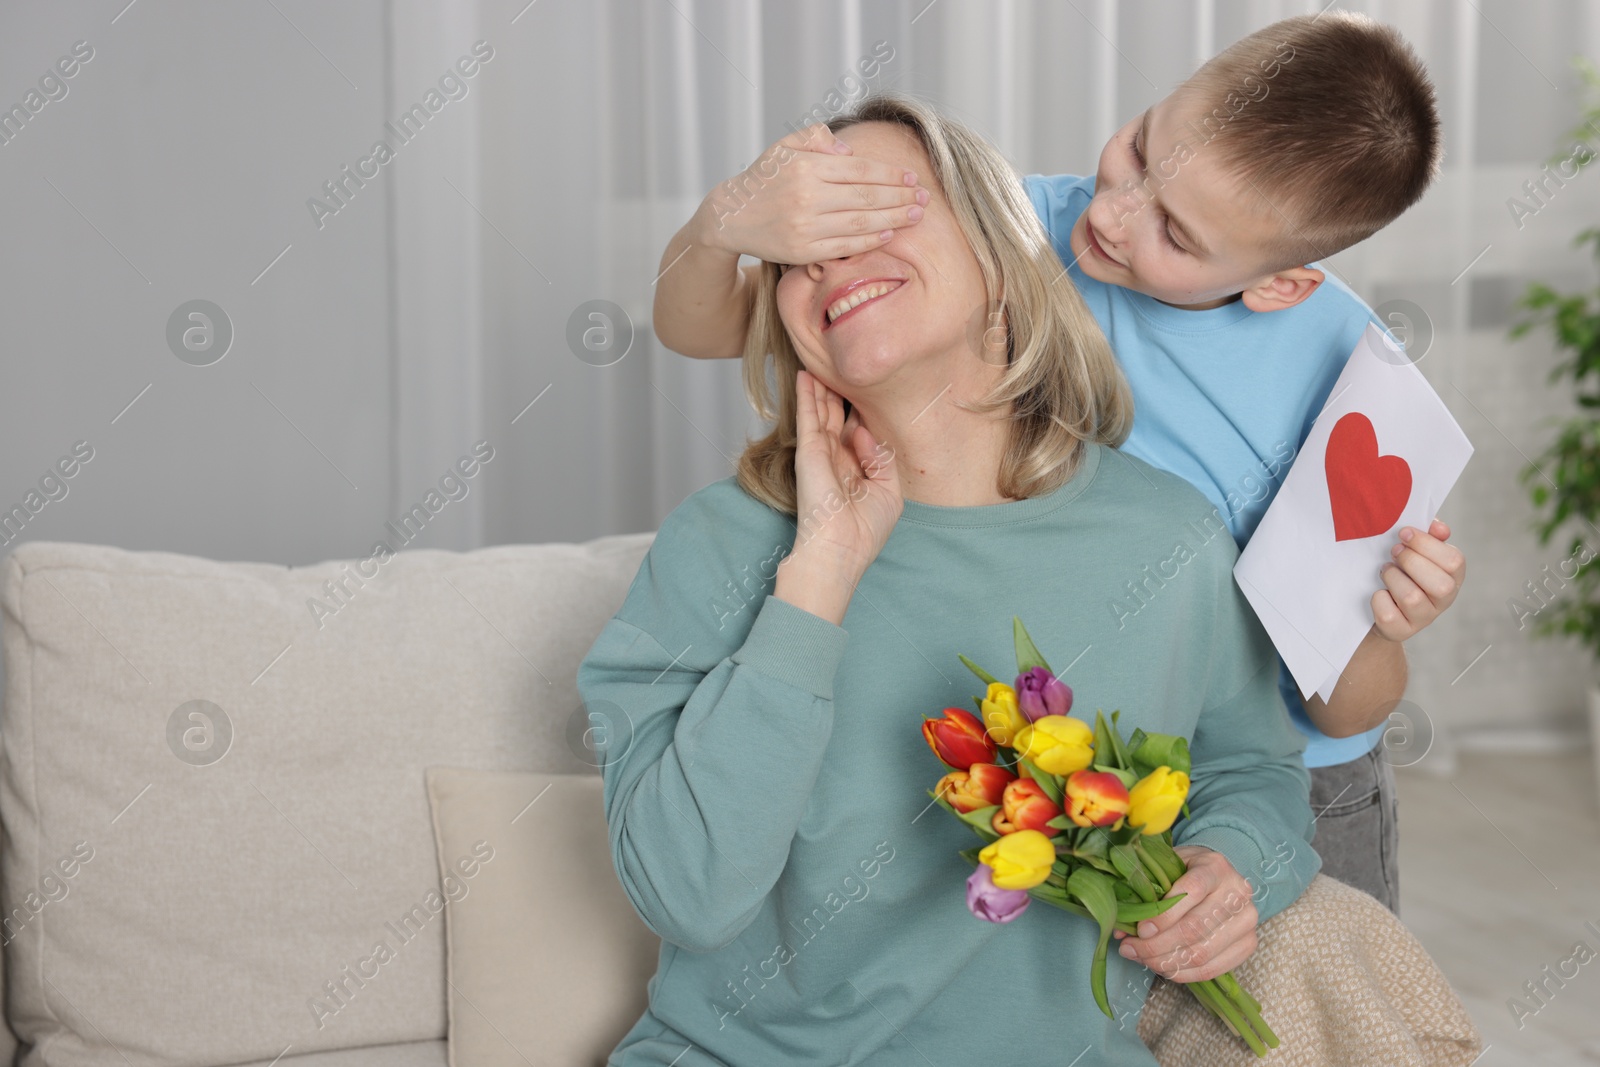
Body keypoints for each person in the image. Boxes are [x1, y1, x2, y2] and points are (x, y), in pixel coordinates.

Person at [647, 12, 1466, 914]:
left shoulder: (1355, 380)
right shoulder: (1028, 230)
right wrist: (726, 224)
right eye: (1139, 149)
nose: (1113, 214)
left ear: (1280, 285)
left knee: (1323, 1023)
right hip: (1094, 754)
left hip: (1295, 781)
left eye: (1177, 234)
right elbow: (709, 326)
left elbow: (1348, 712)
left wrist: (1383, 621)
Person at [578, 94, 1320, 1067]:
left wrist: (1229, 867)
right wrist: (819, 579)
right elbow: (691, 896)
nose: (830, 261)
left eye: (875, 210)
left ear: (1002, 255)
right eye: (800, 248)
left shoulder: (1168, 538)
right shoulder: (719, 545)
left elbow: (1252, 770)